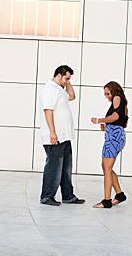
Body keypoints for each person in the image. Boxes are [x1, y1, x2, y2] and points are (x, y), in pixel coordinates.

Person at [39, 65, 85, 206]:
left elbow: (72, 96)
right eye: (66, 78)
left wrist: (67, 82)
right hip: (55, 137)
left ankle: (68, 196)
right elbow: (48, 110)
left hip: (64, 137)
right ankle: (47, 196)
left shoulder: (59, 89)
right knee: (54, 167)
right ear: (59, 75)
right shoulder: (49, 89)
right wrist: (52, 132)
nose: (67, 81)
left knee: (66, 168)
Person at [90, 81, 128, 209]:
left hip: (114, 138)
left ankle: (107, 201)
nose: (107, 96)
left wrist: (99, 120)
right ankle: (119, 194)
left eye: (108, 93)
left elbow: (115, 116)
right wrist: (107, 126)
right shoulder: (123, 102)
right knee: (106, 166)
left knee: (106, 169)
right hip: (116, 135)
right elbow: (122, 122)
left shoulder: (117, 98)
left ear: (114, 91)